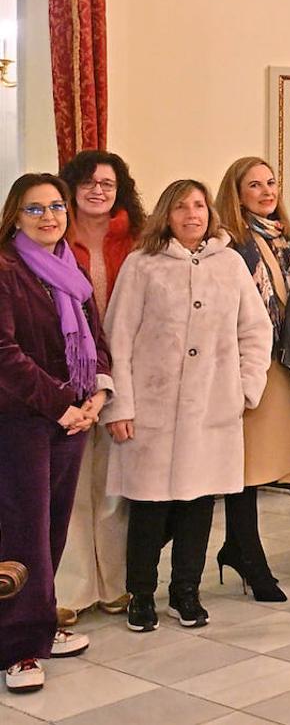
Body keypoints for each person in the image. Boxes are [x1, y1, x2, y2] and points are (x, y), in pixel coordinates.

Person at [102, 180, 271, 630]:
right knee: (149, 506)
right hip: (153, 409)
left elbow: (255, 330)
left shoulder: (230, 263)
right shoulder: (143, 265)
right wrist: (120, 406)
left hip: (213, 407)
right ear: (167, 214)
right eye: (181, 206)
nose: (192, 214)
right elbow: (117, 336)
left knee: (199, 504)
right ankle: (141, 593)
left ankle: (186, 592)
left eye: (199, 205)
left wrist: (243, 387)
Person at [0, 173, 111, 693]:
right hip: (20, 421)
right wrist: (62, 404)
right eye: (34, 210)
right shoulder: (4, 268)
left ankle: (40, 627)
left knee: (52, 528)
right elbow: (5, 356)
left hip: (72, 418)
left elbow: (96, 335)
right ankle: (17, 649)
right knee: (22, 534)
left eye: (55, 207)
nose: (49, 218)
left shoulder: (71, 265)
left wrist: (98, 394)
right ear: (13, 217)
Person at [54, 150, 141, 625]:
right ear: (71, 189)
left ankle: (115, 583)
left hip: (123, 375)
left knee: (113, 485)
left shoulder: (139, 240)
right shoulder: (52, 239)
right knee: (70, 485)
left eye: (107, 183)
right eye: (88, 182)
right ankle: (71, 587)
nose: (97, 190)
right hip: (68, 377)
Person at [212, 157, 290, 602]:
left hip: (283, 362)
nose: (267, 192)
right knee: (246, 467)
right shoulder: (228, 243)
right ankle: (249, 554)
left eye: (271, 182)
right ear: (237, 192)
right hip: (250, 363)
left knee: (264, 464)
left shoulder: (283, 239)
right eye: (255, 185)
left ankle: (236, 546)